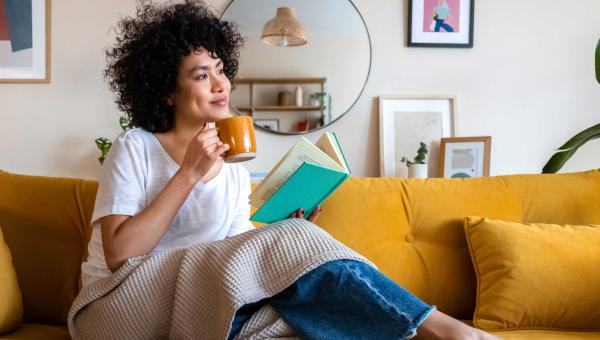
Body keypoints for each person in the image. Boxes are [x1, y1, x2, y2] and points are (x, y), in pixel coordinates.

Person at [77, 1, 498, 339]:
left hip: (193, 305)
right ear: (167, 91)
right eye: (202, 75)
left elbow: (233, 262)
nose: (221, 85)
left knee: (300, 322)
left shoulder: (232, 168)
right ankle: (447, 330)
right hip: (118, 307)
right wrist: (187, 174)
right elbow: (120, 255)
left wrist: (287, 230)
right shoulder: (136, 147)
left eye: (221, 70)